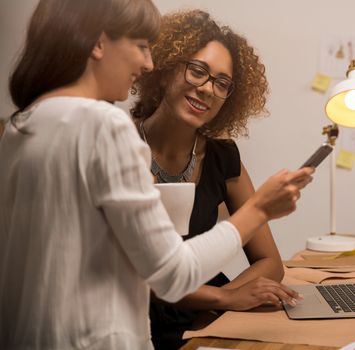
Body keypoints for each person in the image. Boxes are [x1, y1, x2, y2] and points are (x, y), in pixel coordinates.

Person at [0, 1, 313, 349]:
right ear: (99, 42)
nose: (148, 62)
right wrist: (259, 209)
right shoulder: (106, 126)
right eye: (142, 46)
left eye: (222, 83)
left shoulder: (21, 126)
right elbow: (171, 274)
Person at [130, 9, 292, 348]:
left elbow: (270, 261)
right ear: (164, 69)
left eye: (222, 83)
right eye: (198, 71)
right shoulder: (120, 147)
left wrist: (218, 302)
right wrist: (225, 300)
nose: (207, 89)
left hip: (206, 319)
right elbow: (147, 280)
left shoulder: (222, 157)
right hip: (136, 321)